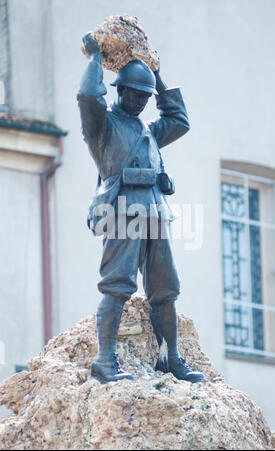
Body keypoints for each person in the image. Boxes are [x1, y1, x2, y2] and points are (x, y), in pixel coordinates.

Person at [77, 32, 207, 384]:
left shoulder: (149, 128)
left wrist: (157, 74)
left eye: (145, 96)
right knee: (117, 286)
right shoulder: (101, 126)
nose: (140, 101)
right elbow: (88, 95)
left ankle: (169, 359)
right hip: (122, 214)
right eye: (135, 93)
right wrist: (93, 59)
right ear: (119, 90)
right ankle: (105, 361)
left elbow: (179, 120)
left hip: (155, 215)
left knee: (165, 290)